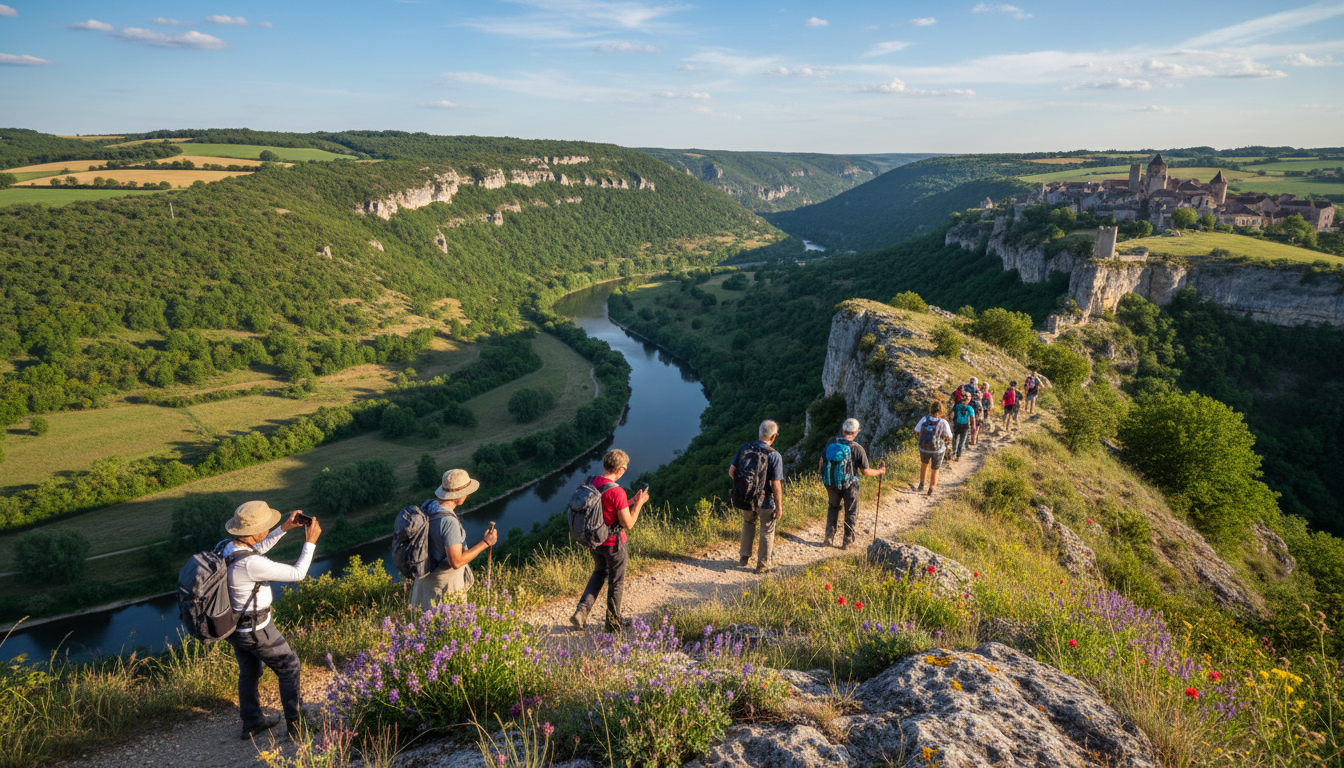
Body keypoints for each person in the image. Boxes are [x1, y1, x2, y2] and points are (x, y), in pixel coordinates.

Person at [221, 500, 321, 740]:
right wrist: (310, 542)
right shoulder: (251, 564)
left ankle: (252, 723)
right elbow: (298, 574)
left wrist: (284, 528)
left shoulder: (227, 547)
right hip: (258, 631)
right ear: (256, 532)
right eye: (267, 526)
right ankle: (296, 729)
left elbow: (256, 549)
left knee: (249, 671)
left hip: (234, 626)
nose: (269, 528)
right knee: (289, 666)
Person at [570, 449, 650, 632]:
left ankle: (581, 612)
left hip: (593, 540)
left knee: (599, 573)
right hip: (614, 544)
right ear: (621, 469)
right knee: (616, 581)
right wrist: (639, 504)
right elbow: (627, 523)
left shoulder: (590, 482)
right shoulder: (617, 491)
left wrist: (629, 501)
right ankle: (613, 625)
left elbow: (604, 506)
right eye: (625, 469)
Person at [412, 469, 498, 610]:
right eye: (466, 491)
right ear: (459, 495)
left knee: (422, 628)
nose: (467, 495)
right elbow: (456, 562)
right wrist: (486, 542)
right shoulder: (448, 522)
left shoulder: (428, 506)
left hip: (423, 585)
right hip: (443, 588)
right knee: (447, 628)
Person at [728, 419, 785, 573]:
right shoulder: (774, 456)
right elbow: (776, 485)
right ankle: (762, 565)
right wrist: (779, 507)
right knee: (766, 530)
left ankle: (744, 557)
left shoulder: (744, 448)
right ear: (774, 436)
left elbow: (731, 472)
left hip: (746, 497)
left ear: (759, 434)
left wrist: (745, 486)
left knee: (748, 523)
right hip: (765, 501)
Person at [819, 418, 886, 548]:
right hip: (850, 485)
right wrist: (879, 471)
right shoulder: (857, 448)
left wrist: (825, 476)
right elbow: (866, 472)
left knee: (833, 507)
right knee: (851, 511)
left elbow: (822, 460)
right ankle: (847, 541)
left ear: (843, 430)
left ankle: (828, 538)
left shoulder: (831, 442)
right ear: (856, 433)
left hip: (831, 483)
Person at [915, 402, 954, 495]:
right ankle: (932, 487)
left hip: (924, 447)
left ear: (930, 410)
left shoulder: (924, 419)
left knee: (924, 464)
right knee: (935, 468)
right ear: (941, 411)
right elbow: (949, 436)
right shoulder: (943, 422)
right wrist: (943, 437)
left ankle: (921, 483)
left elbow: (917, 430)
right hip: (938, 449)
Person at [949, 394, 975, 461]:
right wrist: (972, 425)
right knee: (962, 440)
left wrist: (952, 422)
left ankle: (953, 452)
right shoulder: (970, 408)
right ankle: (958, 455)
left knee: (955, 439)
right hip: (965, 425)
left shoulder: (957, 406)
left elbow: (952, 414)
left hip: (957, 424)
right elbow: (972, 418)